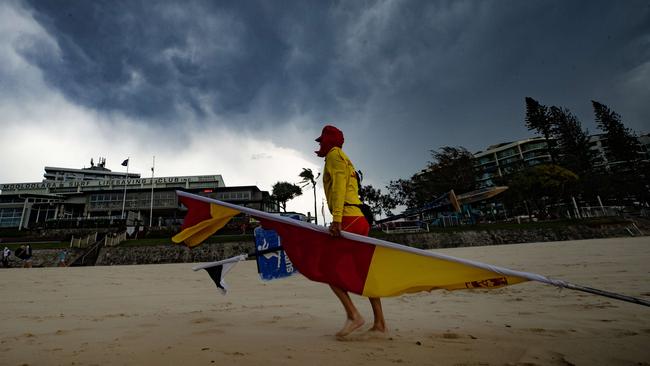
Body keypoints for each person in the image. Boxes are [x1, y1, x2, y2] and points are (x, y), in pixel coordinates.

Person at [315, 124, 386, 338]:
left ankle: (354, 315)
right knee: (363, 271)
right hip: (359, 218)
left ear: (328, 141)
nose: (320, 144)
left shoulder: (334, 157)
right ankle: (380, 323)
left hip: (347, 218)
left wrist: (336, 220)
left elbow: (338, 188)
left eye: (321, 140)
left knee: (327, 268)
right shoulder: (346, 159)